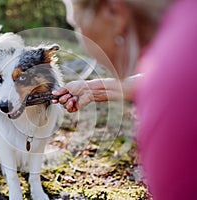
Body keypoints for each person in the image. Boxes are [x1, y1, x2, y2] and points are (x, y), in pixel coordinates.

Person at [53, 0, 197, 199]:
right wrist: (94, 90)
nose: (80, 41)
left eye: (76, 26)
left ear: (113, 11)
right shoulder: (186, 23)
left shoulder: (171, 93)